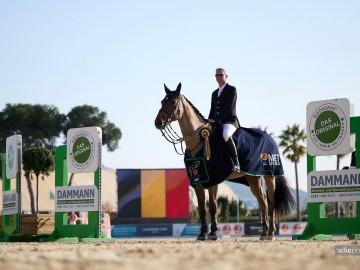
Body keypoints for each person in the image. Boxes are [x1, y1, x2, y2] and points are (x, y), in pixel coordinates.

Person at [208, 67, 240, 172]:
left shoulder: (232, 89)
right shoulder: (214, 93)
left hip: (230, 121)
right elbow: (212, 109)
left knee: (225, 134)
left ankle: (236, 162)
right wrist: (208, 120)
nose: (218, 77)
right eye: (216, 75)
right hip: (217, 121)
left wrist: (216, 120)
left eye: (220, 75)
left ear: (226, 76)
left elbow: (228, 108)